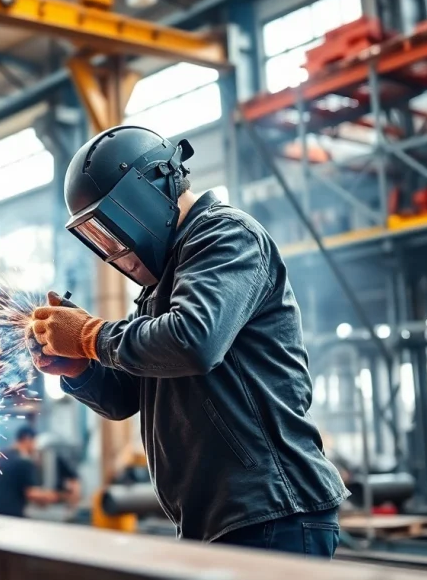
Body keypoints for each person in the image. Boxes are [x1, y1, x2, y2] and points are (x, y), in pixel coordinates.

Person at [28, 125, 349, 557]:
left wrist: (90, 336)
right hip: (218, 517)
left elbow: (193, 341)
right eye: (99, 238)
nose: (114, 248)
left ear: (146, 193)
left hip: (272, 510)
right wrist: (81, 370)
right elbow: (128, 396)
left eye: (111, 228)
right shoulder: (165, 279)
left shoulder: (226, 236)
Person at [0, 426, 61, 517]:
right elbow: (31, 493)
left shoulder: (3, 457)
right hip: (8, 513)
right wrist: (54, 496)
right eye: (35, 442)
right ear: (27, 439)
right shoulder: (24, 461)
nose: (35, 447)